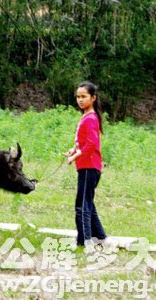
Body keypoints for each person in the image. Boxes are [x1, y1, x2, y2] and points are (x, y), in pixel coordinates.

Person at [64, 81, 106, 247]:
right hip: (87, 167)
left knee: (82, 205)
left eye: (84, 97)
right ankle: (100, 237)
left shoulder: (91, 118)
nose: (80, 100)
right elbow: (84, 144)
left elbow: (92, 145)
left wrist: (75, 157)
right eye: (78, 97)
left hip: (89, 167)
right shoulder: (86, 117)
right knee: (88, 203)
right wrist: (73, 151)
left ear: (93, 98)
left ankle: (84, 241)